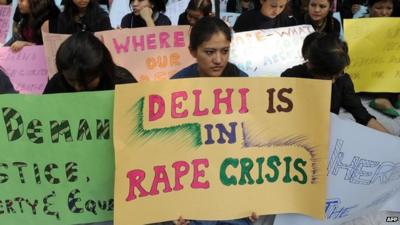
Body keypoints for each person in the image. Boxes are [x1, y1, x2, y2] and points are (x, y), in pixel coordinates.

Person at [281, 32, 389, 133]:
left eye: (337, 75)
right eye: (327, 76)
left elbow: (363, 117)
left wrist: (394, 142)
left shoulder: (342, 81)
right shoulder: (290, 79)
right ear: (311, 65)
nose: (333, 81)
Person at [43, 31, 136, 94]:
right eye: (71, 80)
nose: (78, 88)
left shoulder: (123, 83)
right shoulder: (56, 85)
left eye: (86, 81)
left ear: (101, 71)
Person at [172, 17, 248, 78]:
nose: (218, 60)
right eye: (210, 52)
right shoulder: (176, 85)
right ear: (193, 51)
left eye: (225, 51)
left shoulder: (242, 80)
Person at [361, 0, 399, 117]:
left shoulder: (395, 26)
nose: (384, 12)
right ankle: (381, 100)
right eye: (379, 8)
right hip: (367, 73)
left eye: (389, 8)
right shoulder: (359, 24)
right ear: (370, 7)